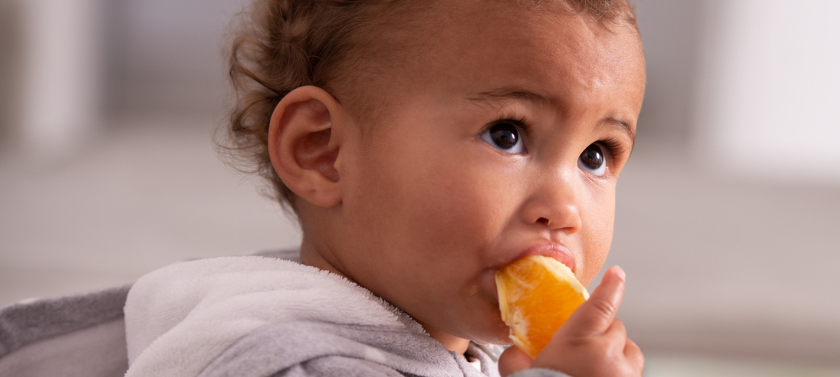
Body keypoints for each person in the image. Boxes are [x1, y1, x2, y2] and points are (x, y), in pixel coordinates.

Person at [122, 0, 646, 376]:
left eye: (594, 156)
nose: (564, 207)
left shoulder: (458, 347)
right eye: (506, 135)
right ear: (323, 151)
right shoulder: (287, 362)